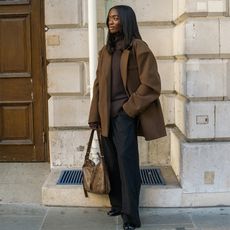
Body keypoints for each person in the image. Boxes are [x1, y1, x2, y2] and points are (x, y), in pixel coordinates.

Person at [88, 5, 166, 230]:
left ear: (126, 20)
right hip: (105, 116)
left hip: (125, 116)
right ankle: (118, 204)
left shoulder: (138, 48)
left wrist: (128, 109)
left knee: (127, 164)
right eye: (109, 18)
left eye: (115, 18)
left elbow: (151, 85)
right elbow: (98, 87)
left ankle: (131, 217)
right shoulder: (105, 51)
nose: (110, 22)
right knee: (111, 163)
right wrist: (94, 115)